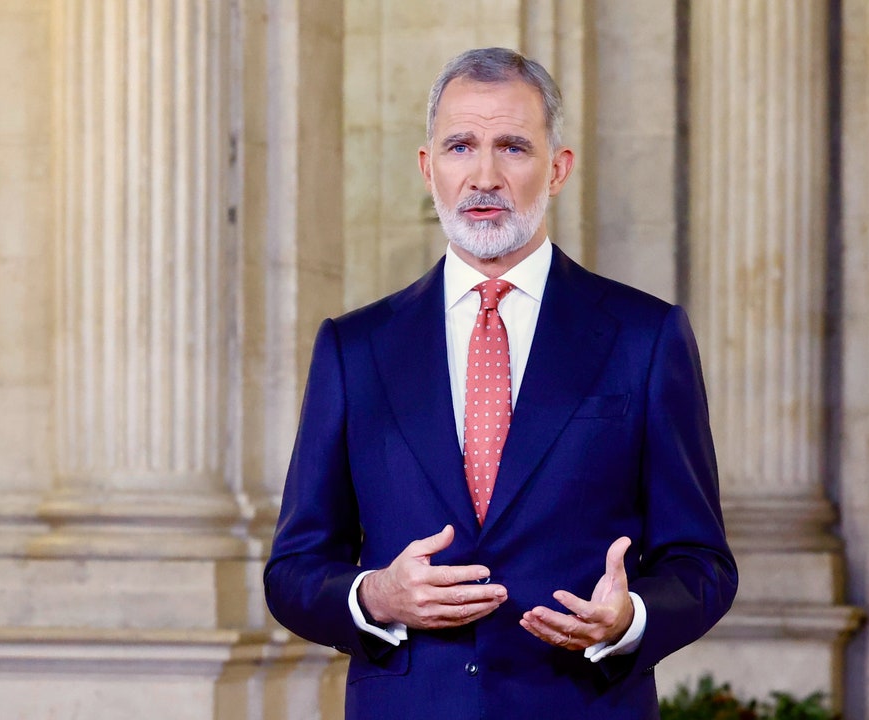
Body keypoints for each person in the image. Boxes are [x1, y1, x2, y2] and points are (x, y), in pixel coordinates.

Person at [263, 47, 737, 719]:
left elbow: (702, 561)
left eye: (513, 147)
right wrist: (374, 597)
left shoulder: (645, 337)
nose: (483, 176)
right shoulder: (354, 347)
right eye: (460, 146)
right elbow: (293, 570)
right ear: (429, 169)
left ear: (559, 167)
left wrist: (629, 617)